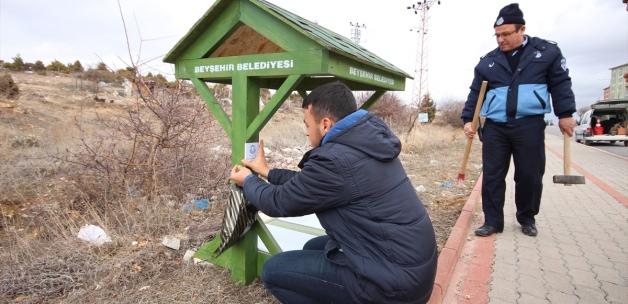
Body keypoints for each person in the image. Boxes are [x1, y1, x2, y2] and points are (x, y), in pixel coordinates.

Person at [229, 81, 437, 304]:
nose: (307, 133)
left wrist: (248, 180)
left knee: (273, 271)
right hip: (409, 268)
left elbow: (278, 203)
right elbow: (306, 184)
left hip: (392, 288)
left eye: (307, 125)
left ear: (325, 124)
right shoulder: (363, 143)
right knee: (312, 247)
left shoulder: (336, 160)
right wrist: (267, 172)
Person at [461, 3, 576, 237]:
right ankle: (493, 221)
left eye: (505, 34)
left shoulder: (546, 53)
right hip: (495, 127)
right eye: (497, 35)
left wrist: (565, 114)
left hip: (529, 125)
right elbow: (476, 93)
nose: (500, 40)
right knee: (492, 175)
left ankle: (527, 217)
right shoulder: (488, 62)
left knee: (529, 175)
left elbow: (560, 83)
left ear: (521, 29)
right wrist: (468, 120)